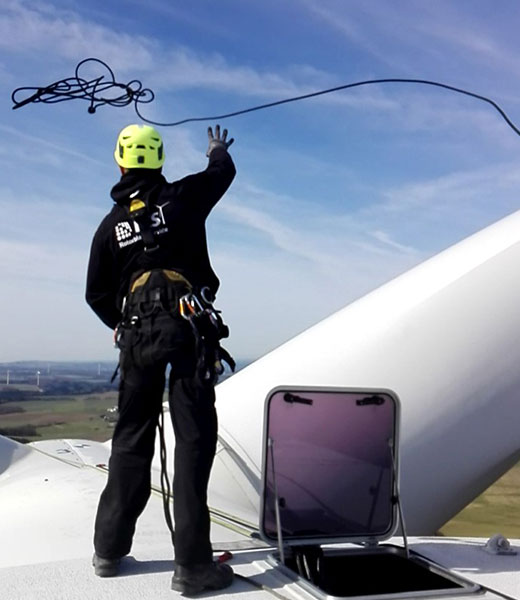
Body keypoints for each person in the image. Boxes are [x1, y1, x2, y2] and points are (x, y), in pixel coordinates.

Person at [85, 123, 236, 595]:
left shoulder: (110, 228)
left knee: (130, 439)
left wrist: (122, 320)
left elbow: (96, 294)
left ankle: (109, 550)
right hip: (188, 325)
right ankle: (192, 566)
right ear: (159, 160)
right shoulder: (184, 197)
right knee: (192, 440)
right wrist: (215, 151)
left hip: (137, 333)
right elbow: (221, 175)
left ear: (120, 162)